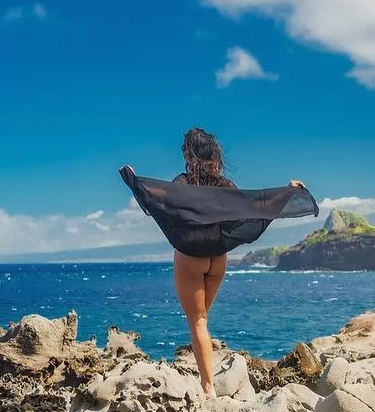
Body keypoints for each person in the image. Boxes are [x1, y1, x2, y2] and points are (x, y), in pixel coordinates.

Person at [121, 128, 317, 398]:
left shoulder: (181, 183)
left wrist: (133, 180)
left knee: (198, 322)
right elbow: (255, 207)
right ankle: (208, 377)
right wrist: (288, 191)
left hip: (191, 258)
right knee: (203, 320)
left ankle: (208, 387)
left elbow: (157, 199)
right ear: (214, 154)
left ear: (188, 153)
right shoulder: (226, 187)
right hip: (218, 259)